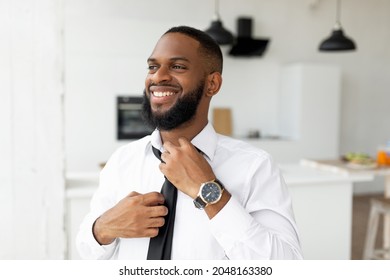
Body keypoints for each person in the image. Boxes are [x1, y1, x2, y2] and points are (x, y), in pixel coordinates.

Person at [76, 25, 303, 260]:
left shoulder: (255, 167)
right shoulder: (123, 160)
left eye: (177, 66)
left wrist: (208, 191)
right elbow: (86, 250)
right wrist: (103, 228)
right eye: (153, 66)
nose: (158, 76)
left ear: (212, 84)